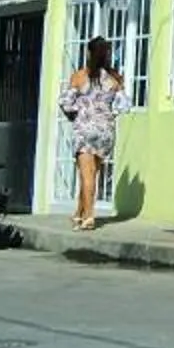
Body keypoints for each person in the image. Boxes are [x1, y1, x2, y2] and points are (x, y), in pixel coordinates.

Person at [59, 35, 125, 231]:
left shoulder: (80, 76)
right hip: (106, 130)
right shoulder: (115, 78)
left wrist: (75, 114)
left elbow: (65, 102)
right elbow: (123, 104)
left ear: (89, 53)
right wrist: (108, 114)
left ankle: (89, 216)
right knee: (92, 173)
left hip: (85, 129)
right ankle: (79, 213)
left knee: (86, 176)